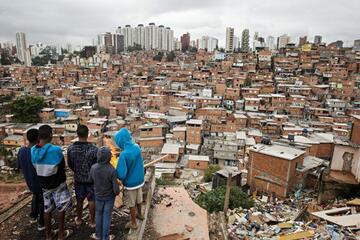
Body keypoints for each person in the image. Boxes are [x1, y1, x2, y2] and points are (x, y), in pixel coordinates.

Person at [31, 125, 72, 240]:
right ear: (50, 135)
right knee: (61, 208)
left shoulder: (33, 151)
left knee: (47, 210)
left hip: (44, 185)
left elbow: (35, 167)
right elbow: (62, 166)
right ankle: (61, 234)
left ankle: (48, 235)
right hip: (58, 184)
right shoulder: (56, 150)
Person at [67, 124, 97, 228]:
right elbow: (96, 165)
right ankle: (92, 222)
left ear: (77, 134)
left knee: (79, 199)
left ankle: (79, 219)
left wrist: (77, 171)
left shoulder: (71, 149)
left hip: (78, 179)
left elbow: (70, 164)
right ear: (87, 134)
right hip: (91, 180)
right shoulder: (94, 149)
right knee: (92, 200)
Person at [114, 127, 144, 230]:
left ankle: (133, 223)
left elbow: (121, 174)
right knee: (139, 199)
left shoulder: (124, 154)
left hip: (131, 184)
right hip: (140, 180)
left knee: (131, 203)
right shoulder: (136, 147)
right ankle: (140, 214)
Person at [17, 128, 45, 230]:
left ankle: (33, 216)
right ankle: (41, 223)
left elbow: (20, 168)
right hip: (40, 182)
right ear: (38, 138)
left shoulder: (21, 151)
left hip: (30, 181)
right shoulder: (38, 152)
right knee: (42, 201)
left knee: (35, 196)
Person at [89, 147, 120, 240]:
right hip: (109, 198)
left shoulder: (93, 168)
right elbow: (116, 189)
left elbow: (90, 180)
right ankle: (105, 237)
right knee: (107, 216)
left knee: (98, 215)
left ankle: (98, 235)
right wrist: (117, 192)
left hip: (98, 196)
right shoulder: (112, 170)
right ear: (109, 157)